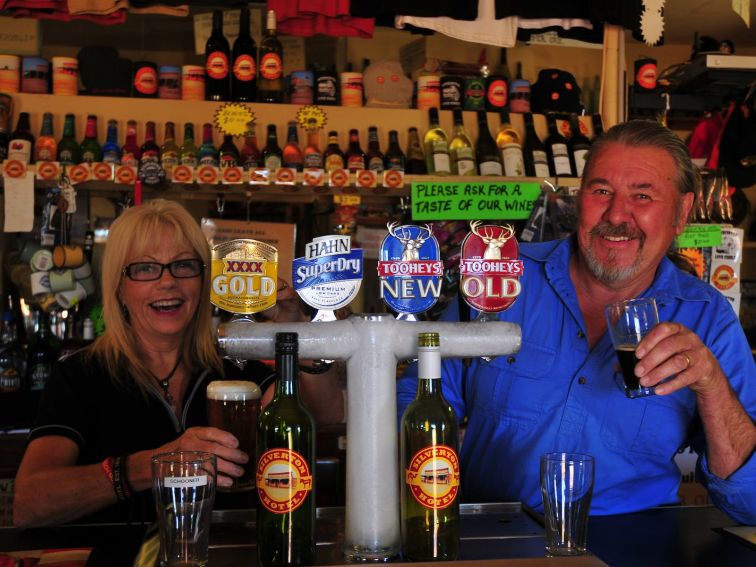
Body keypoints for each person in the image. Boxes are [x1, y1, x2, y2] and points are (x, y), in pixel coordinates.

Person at [398, 120, 756, 525]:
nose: (617, 215)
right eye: (601, 191)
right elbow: (410, 409)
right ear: (579, 199)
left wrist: (711, 386)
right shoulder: (499, 280)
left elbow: (751, 503)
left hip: (632, 544)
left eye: (643, 195)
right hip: (492, 535)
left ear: (681, 213)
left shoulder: (707, 318)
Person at [13, 199, 343, 527]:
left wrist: (296, 331)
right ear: (119, 288)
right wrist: (153, 465)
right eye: (145, 268)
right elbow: (31, 504)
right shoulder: (80, 376)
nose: (168, 281)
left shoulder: (235, 364)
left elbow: (324, 416)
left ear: (204, 281)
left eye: (184, 265)